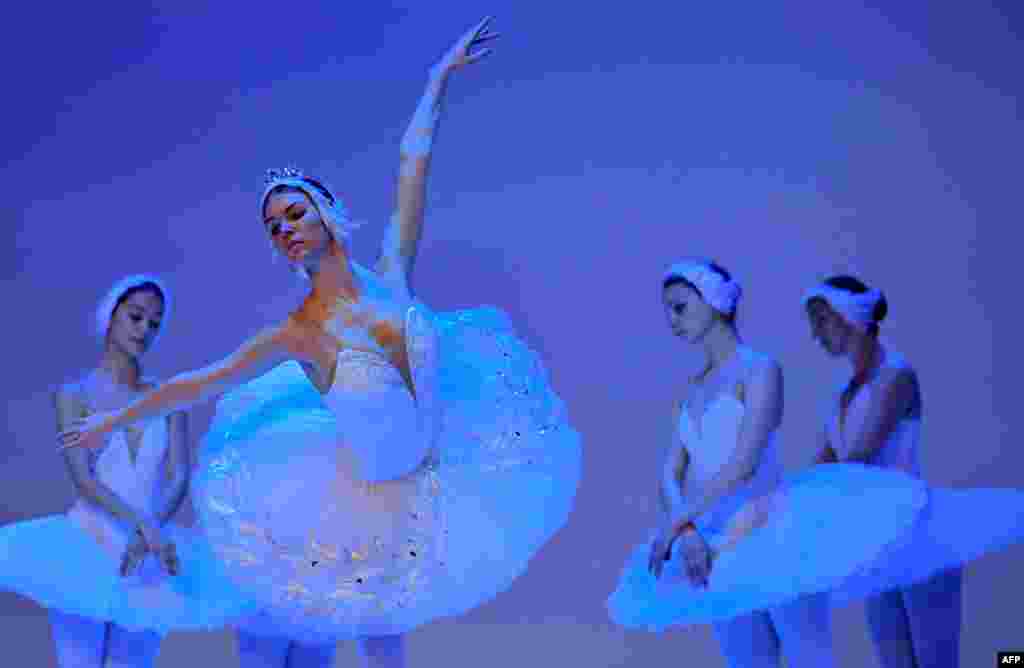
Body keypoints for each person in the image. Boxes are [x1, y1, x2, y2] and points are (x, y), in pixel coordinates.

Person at [61, 18, 581, 668]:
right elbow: (199, 382)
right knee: (368, 631)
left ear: (327, 207)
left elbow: (412, 169)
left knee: (391, 640)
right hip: (364, 495)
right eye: (274, 227)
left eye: (295, 213)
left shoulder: (393, 274)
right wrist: (116, 418)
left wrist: (435, 80)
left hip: (446, 462)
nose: (286, 230)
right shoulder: (300, 331)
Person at [0, 275, 252, 667]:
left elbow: (179, 475)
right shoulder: (74, 397)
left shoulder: (170, 396)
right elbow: (84, 480)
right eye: (135, 317)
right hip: (87, 544)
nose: (144, 330)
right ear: (111, 314)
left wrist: (151, 527)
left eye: (154, 323)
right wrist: (142, 524)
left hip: (147, 550)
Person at [607, 259, 836, 667]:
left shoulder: (761, 369)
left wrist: (677, 523)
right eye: (668, 310)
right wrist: (689, 531)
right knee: (745, 661)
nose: (671, 319)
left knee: (809, 658)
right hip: (716, 544)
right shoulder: (692, 389)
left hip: (772, 532)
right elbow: (669, 473)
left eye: (680, 307)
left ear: (713, 301)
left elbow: (744, 463)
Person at [804, 275, 963, 667]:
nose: (814, 333)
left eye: (821, 320)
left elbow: (856, 461)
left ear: (851, 316)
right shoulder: (841, 392)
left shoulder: (897, 377)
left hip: (918, 535)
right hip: (877, 542)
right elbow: (823, 464)